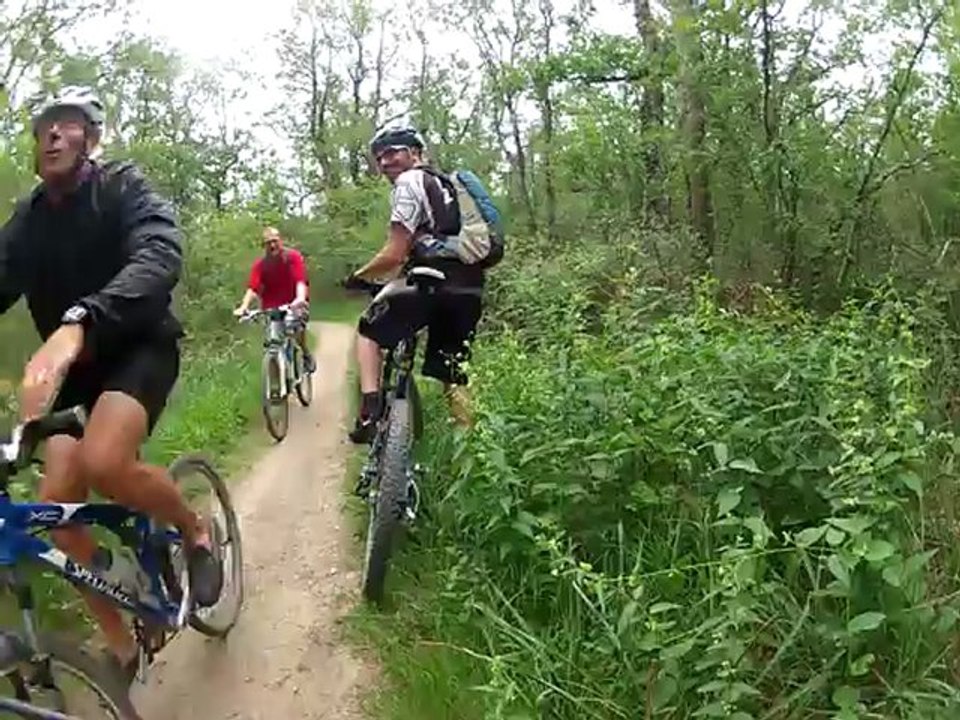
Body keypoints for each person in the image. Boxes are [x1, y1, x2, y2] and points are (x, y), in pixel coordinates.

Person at [0, 86, 222, 679]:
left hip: (137, 346)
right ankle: (120, 640)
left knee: (104, 460)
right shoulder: (29, 219)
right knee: (52, 512)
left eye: (66, 124)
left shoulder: (123, 187)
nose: (51, 134)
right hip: (78, 374)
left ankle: (193, 528)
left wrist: (82, 320)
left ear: (91, 139)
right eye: (44, 125)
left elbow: (158, 254)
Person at [344, 125, 484, 443]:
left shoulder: (409, 183)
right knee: (453, 375)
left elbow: (394, 254)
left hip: (431, 284)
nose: (384, 161)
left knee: (368, 332)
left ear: (415, 153)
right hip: (469, 287)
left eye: (393, 152)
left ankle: (369, 410)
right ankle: (471, 453)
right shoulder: (447, 186)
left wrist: (360, 276)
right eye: (379, 157)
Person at [233, 226, 314, 372]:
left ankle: (305, 354)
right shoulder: (260, 265)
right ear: (263, 245)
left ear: (281, 241)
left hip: (294, 302)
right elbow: (253, 287)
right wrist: (244, 307)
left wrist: (300, 298)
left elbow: (300, 280)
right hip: (272, 306)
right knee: (273, 340)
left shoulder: (293, 257)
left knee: (297, 329)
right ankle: (275, 379)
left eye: (275, 241)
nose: (272, 245)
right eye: (268, 243)